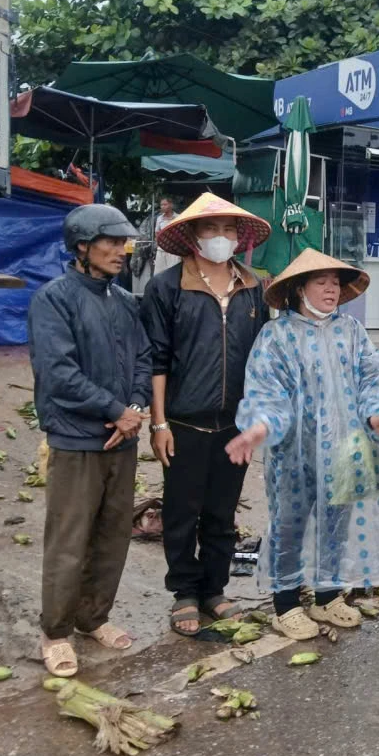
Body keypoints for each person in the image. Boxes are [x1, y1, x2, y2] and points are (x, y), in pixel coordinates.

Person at [226, 249, 379, 639]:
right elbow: (266, 391)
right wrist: (259, 427)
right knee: (290, 526)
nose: (331, 290)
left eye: (335, 283)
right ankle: (286, 605)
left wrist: (376, 416)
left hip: (345, 449)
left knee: (336, 525)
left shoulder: (352, 331)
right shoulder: (276, 336)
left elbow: (373, 377)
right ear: (299, 289)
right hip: (293, 452)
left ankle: (326, 597)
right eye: (321, 282)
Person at [27, 204, 152, 677]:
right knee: (69, 539)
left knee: (112, 535)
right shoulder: (53, 300)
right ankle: (55, 632)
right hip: (76, 438)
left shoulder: (124, 302)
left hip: (122, 439)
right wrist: (115, 410)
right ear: (82, 246)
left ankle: (93, 617)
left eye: (124, 243)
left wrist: (134, 407)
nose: (122, 251)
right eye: (111, 242)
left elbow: (143, 359)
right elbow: (58, 373)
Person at [140, 193, 271, 636]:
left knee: (222, 511)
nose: (220, 237)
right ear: (193, 236)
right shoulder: (167, 287)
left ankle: (214, 589)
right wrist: (158, 423)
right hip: (184, 422)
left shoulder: (253, 288)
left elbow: (262, 360)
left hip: (235, 424)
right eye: (211, 229)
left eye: (228, 229)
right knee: (182, 511)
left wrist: (257, 420)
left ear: (238, 238)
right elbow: (157, 359)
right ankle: (184, 592)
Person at [151, 198, 182, 277]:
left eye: (165, 204)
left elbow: (181, 233)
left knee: (173, 273)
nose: (162, 207)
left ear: (171, 205)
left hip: (174, 251)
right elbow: (157, 233)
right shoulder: (159, 219)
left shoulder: (178, 217)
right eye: (161, 205)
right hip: (161, 250)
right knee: (159, 274)